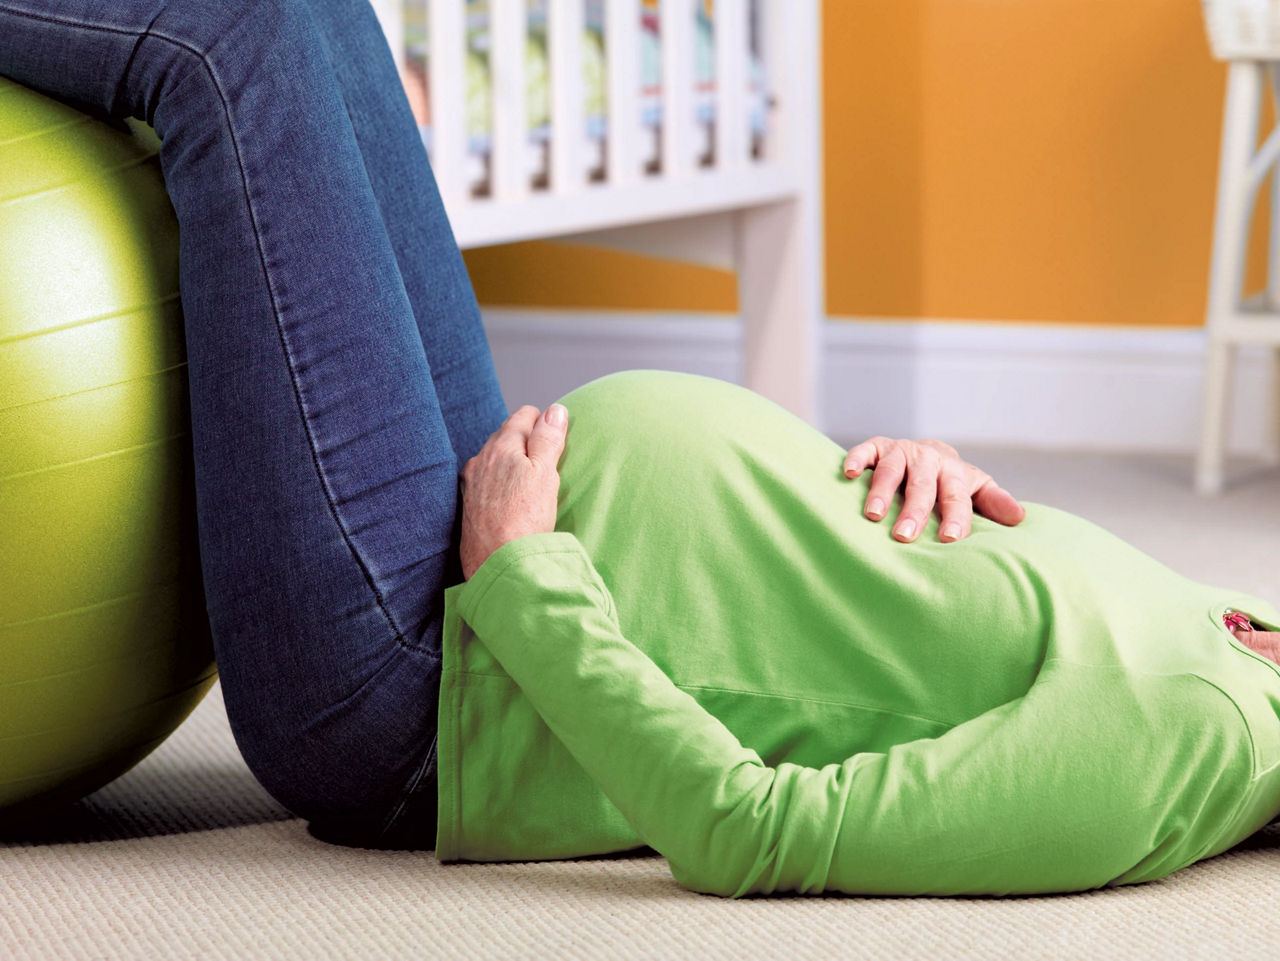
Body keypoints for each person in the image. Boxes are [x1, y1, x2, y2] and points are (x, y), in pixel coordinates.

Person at [5, 0, 1279, 899]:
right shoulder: (1241, 632)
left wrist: (521, 579)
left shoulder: (1197, 740)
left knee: (242, 41)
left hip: (418, 689)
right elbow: (904, 645)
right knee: (326, 13)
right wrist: (911, 476)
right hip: (467, 554)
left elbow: (760, 831)